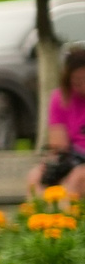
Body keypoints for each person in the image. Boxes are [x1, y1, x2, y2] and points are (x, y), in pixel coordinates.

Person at [29, 43, 85, 200]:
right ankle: (37, 221)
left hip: (80, 168)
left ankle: (66, 222)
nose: (82, 85)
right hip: (73, 157)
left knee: (76, 179)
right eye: (77, 81)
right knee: (35, 177)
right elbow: (58, 144)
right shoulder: (60, 98)